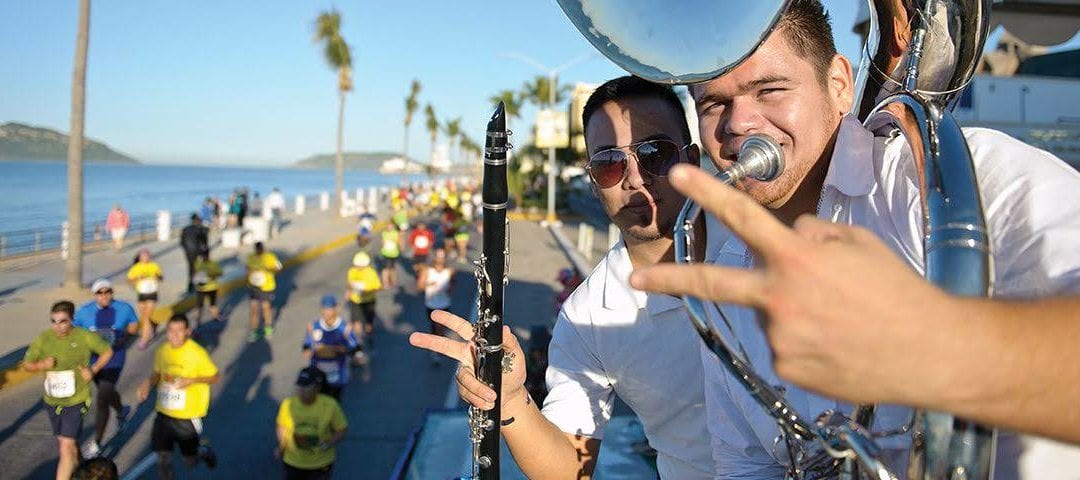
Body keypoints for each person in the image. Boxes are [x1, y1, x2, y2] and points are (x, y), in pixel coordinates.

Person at [625, 0, 1080, 472]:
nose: (738, 124)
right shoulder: (726, 279)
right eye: (714, 104)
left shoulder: (974, 174)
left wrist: (931, 343)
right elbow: (747, 463)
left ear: (840, 86)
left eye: (771, 90)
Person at [411, 76, 716, 478]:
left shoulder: (764, 236)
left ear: (690, 159)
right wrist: (514, 399)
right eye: (610, 163)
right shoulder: (587, 317)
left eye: (655, 153)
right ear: (593, 182)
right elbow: (568, 468)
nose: (635, 178)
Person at [23, 301, 114, 480]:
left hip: (76, 399)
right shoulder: (44, 338)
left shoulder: (83, 336)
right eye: (53, 321)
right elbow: (27, 364)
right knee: (69, 446)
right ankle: (84, 473)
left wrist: (93, 370)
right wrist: (42, 364)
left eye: (62, 321)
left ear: (72, 320)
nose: (57, 326)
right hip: (53, 401)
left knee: (65, 446)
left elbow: (107, 351)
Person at [136, 314, 219, 480]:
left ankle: (202, 452)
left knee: (189, 461)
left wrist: (192, 380)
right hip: (164, 413)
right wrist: (148, 384)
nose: (174, 335)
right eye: (171, 331)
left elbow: (215, 377)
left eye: (179, 331)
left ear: (187, 331)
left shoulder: (197, 353)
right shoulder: (162, 351)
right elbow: (158, 373)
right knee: (163, 458)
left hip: (187, 416)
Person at [73, 279, 138, 458]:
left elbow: (133, 325)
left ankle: (97, 443)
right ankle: (121, 410)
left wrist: (124, 337)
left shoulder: (124, 308)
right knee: (107, 391)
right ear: (94, 295)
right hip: (93, 360)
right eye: (100, 293)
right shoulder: (84, 312)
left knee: (102, 397)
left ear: (112, 292)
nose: (104, 296)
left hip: (114, 359)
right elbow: (76, 333)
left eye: (107, 291)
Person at [276, 367, 348, 480]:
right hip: (293, 461)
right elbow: (282, 426)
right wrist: (282, 445)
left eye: (306, 387)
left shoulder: (330, 405)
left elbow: (341, 429)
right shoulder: (288, 404)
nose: (301, 391)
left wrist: (329, 442)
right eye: (299, 386)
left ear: (318, 388)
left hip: (319, 463)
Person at [303, 295, 358, 400]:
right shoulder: (313, 327)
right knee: (320, 402)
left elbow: (354, 349)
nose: (326, 312)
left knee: (334, 402)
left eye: (329, 309)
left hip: (337, 373)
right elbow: (307, 347)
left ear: (336, 309)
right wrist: (310, 350)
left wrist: (335, 349)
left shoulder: (345, 328)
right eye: (324, 309)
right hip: (318, 372)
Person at [127, 248, 163, 349]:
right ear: (139, 257)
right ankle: (154, 324)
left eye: (147, 255)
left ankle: (144, 339)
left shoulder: (154, 266)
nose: (145, 257)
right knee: (144, 315)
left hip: (152, 293)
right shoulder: (136, 268)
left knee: (146, 317)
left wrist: (157, 277)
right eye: (143, 256)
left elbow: (161, 277)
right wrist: (138, 278)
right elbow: (129, 280)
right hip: (142, 293)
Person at [246, 241, 282, 342]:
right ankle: (254, 331)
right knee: (254, 309)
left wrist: (270, 269)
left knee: (266, 307)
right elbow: (247, 269)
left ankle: (268, 328)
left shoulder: (270, 257)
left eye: (260, 249)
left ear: (263, 248)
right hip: (254, 286)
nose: (258, 251)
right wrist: (250, 272)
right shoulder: (251, 257)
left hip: (267, 287)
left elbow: (278, 268)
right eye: (257, 249)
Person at [344, 252, 381, 349]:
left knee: (368, 323)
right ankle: (359, 341)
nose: (359, 267)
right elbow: (350, 283)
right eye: (357, 265)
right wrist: (348, 291)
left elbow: (377, 287)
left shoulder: (371, 273)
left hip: (368, 301)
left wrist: (367, 292)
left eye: (361, 266)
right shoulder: (352, 271)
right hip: (356, 301)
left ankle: (369, 336)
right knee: (356, 322)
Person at [180, 213, 210, 294]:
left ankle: (190, 286)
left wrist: (186, 251)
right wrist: (206, 255)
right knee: (200, 268)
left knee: (191, 268)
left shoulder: (185, 229)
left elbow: (182, 242)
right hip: (199, 252)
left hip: (189, 252)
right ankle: (201, 285)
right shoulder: (201, 229)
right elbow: (204, 243)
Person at [192, 253, 223, 327]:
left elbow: (220, 273)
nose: (204, 257)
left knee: (213, 304)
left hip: (212, 287)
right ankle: (198, 322)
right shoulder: (198, 264)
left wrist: (212, 275)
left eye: (205, 255)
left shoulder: (213, 263)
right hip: (201, 288)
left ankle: (215, 318)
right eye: (203, 255)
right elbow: (194, 274)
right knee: (199, 306)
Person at [378, 224, 403, 289]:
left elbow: (399, 242)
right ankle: (385, 283)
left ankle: (393, 281)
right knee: (386, 269)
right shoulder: (384, 233)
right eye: (388, 227)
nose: (389, 228)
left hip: (394, 253)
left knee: (392, 268)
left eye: (390, 227)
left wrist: (400, 248)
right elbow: (383, 243)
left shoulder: (396, 233)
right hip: (386, 253)